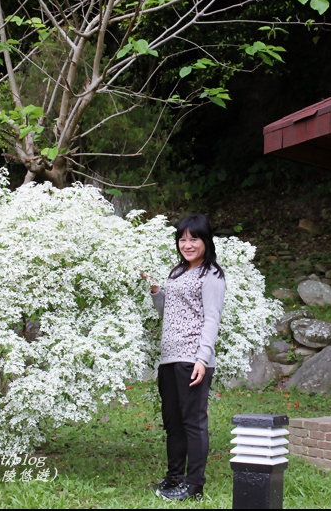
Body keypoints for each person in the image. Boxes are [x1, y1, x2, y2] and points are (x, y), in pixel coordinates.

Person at [142, 213, 226, 501]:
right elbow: (170, 312)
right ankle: (174, 478)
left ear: (205, 241)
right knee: (173, 423)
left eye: (194, 239)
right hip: (169, 359)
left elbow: (212, 319)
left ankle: (194, 486)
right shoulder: (177, 273)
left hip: (193, 359)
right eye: (182, 239)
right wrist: (156, 290)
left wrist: (203, 359)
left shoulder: (211, 274)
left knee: (193, 422)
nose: (187, 244)